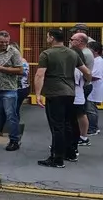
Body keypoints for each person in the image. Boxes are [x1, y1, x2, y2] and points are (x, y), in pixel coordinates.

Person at [34, 28, 90, 168]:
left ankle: (57, 158)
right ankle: (70, 152)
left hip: (54, 93)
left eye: (48, 37)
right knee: (68, 123)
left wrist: (38, 93)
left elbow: (40, 75)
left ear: (52, 38)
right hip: (70, 92)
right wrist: (86, 82)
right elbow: (86, 72)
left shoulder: (46, 54)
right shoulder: (72, 53)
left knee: (57, 126)